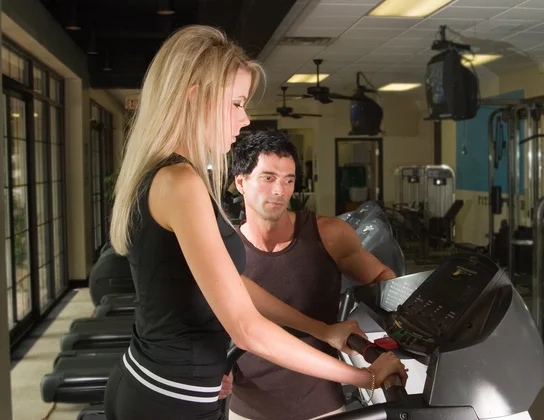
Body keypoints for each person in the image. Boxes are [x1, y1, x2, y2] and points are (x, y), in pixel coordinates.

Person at [102, 25, 408, 420]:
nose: (244, 119)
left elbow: (234, 286)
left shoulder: (163, 175)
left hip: (160, 385)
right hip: (169, 401)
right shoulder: (181, 182)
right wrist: (363, 377)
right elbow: (247, 329)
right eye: (236, 103)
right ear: (195, 97)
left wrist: (321, 329)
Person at [224, 130, 399, 420]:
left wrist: (389, 331)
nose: (280, 190)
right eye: (268, 178)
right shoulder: (225, 251)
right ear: (241, 183)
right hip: (248, 407)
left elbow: (383, 278)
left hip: (321, 406)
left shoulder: (329, 234)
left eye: (288, 180)